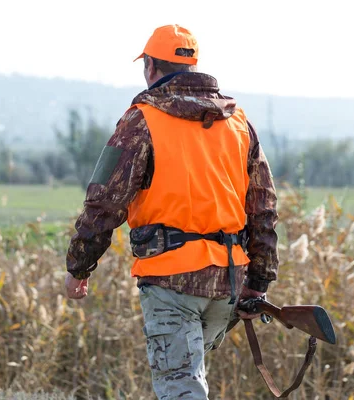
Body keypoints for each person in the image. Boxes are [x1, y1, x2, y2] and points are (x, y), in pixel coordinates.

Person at [64, 24, 279, 400]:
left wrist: (78, 267)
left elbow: (105, 200)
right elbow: (264, 207)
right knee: (186, 380)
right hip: (226, 284)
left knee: (180, 386)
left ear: (150, 67)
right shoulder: (239, 123)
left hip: (170, 281)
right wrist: (257, 283)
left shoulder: (141, 120)